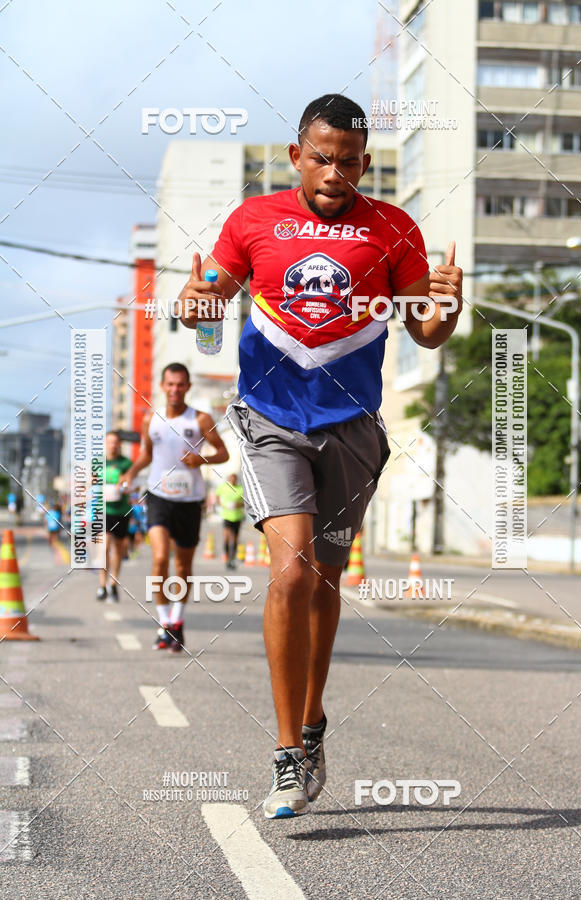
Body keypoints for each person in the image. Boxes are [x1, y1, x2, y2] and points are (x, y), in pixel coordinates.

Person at [178, 93, 463, 818]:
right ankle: (283, 756)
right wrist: (194, 302)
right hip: (270, 417)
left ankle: (312, 726)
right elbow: (207, 302)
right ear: (297, 156)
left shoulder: (395, 230)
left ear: (365, 162)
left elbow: (423, 330)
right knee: (291, 567)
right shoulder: (252, 220)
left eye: (348, 160)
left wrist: (446, 315)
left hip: (354, 426)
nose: (335, 171)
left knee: (326, 580)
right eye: (321, 157)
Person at [119, 363, 229, 652]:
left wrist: (201, 460)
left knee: (183, 565)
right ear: (162, 386)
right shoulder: (151, 420)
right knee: (159, 558)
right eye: (170, 384)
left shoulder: (201, 420)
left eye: (180, 384)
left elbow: (223, 452)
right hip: (158, 495)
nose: (175, 389)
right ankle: (164, 622)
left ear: (188, 387)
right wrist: (130, 473)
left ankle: (177, 621)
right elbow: (146, 455)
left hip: (190, 500)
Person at [97, 431, 132, 603]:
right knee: (104, 547)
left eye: (116, 442)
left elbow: (131, 483)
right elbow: (90, 481)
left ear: (120, 445)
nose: (113, 445)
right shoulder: (98, 462)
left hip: (121, 510)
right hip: (103, 510)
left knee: (118, 549)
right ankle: (102, 585)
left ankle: (113, 582)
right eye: (110, 442)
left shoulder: (126, 463)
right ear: (105, 443)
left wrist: (124, 484)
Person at [216, 474, 245, 569]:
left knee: (235, 539)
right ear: (228, 479)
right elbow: (217, 496)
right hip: (226, 516)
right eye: (231, 479)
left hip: (237, 517)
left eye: (234, 479)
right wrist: (222, 505)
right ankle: (227, 558)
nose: (232, 480)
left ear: (236, 479)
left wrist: (238, 505)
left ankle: (232, 559)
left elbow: (245, 502)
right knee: (227, 537)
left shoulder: (240, 488)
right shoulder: (223, 487)